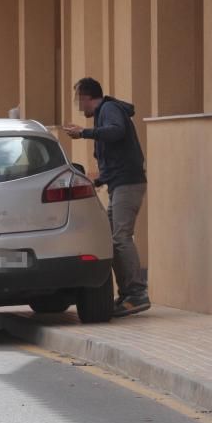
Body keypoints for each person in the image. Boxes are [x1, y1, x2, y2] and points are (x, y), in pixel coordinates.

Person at [62, 77, 150, 317]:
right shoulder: (105, 113)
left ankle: (137, 292)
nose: (80, 108)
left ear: (88, 98)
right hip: (119, 183)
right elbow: (115, 153)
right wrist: (98, 180)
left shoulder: (108, 110)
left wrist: (84, 133)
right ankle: (127, 293)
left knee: (121, 237)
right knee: (110, 239)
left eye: (80, 101)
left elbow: (116, 132)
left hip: (128, 184)